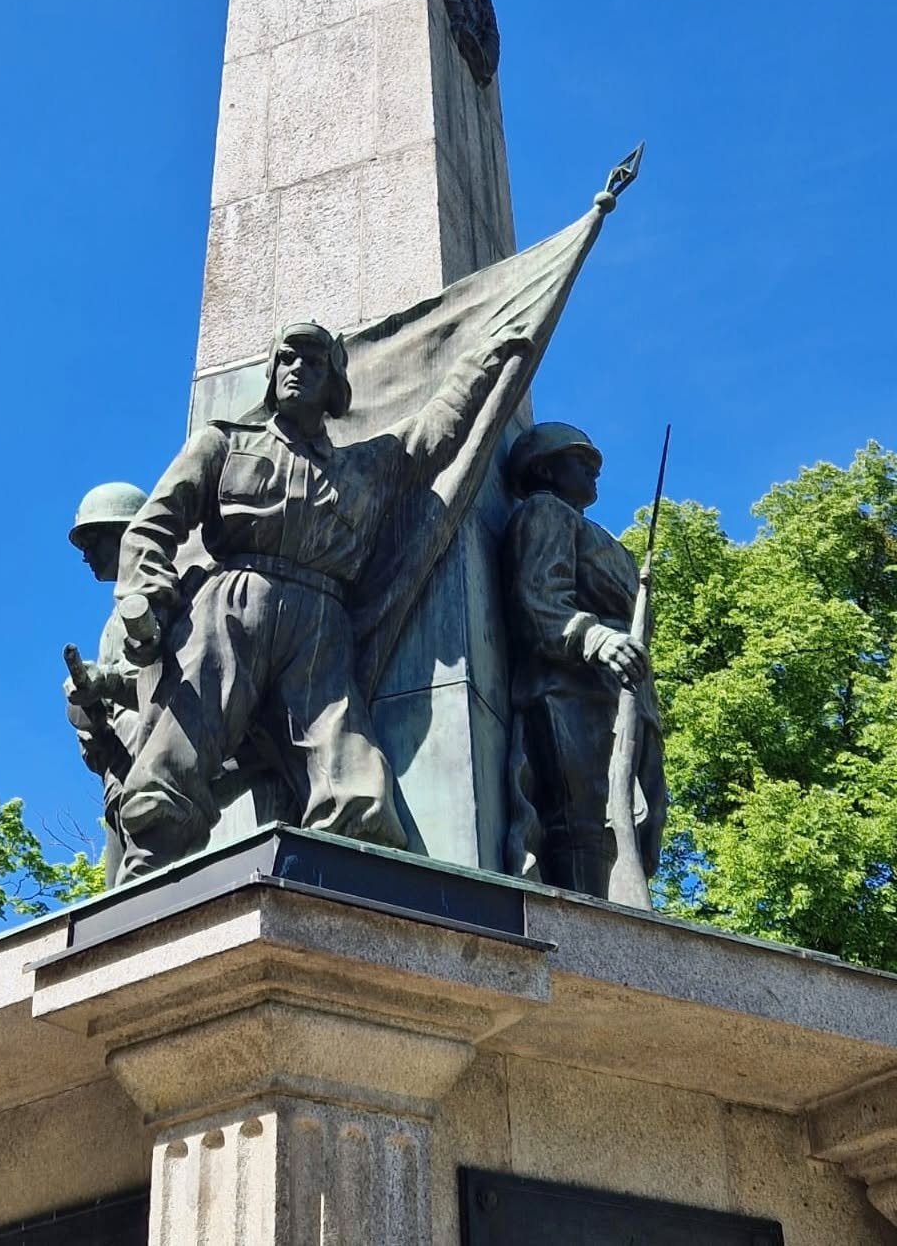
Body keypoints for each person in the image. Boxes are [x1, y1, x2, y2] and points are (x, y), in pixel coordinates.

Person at [113, 318, 530, 879]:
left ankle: (348, 874)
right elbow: (150, 529)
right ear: (271, 372)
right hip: (228, 606)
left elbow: (435, 429)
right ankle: (149, 871)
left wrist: (492, 355)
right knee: (180, 742)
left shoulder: (366, 466)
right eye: (287, 358)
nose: (297, 370)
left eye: (313, 362)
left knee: (346, 760)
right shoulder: (223, 444)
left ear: (335, 382)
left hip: (320, 618)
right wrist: (145, 594)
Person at [502, 423, 666, 897]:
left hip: (622, 691)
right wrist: (596, 639)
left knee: (637, 823)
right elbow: (538, 599)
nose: (595, 473)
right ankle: (587, 938)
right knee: (586, 823)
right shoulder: (545, 512)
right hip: (571, 688)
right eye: (582, 462)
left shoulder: (595, 533)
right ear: (546, 469)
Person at [62, 481, 148, 884]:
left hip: (157, 775)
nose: (87, 558)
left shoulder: (171, 600)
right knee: (115, 905)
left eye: (94, 542)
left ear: (128, 536)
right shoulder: (112, 623)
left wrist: (108, 683)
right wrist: (88, 716)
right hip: (121, 776)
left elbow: (172, 687)